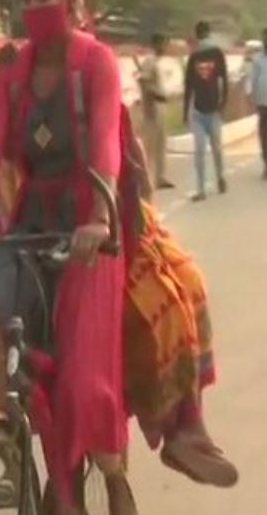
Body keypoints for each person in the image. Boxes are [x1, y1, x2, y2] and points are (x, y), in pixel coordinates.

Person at [0, 0, 134, 515]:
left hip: (91, 230)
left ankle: (112, 472)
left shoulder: (96, 63)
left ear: (73, 3)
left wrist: (98, 218)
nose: (34, 5)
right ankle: (12, 444)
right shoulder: (11, 73)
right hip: (29, 225)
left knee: (82, 385)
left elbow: (105, 145)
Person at [122, 111, 238, 487]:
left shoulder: (99, 93)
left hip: (122, 225)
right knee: (166, 303)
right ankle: (180, 425)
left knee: (190, 280)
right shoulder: (30, 95)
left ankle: (188, 421)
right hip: (82, 234)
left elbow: (137, 181)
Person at [184, 21, 229, 201]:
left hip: (213, 110)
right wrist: (185, 111)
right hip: (199, 112)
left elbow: (224, 79)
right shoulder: (193, 58)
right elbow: (188, 86)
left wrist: (223, 103)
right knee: (200, 150)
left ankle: (220, 177)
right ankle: (201, 188)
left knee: (216, 148)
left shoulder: (216, 54)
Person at [138, 33, 175, 189]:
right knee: (151, 145)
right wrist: (150, 103)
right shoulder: (149, 61)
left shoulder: (159, 62)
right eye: (163, 44)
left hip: (161, 104)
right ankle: (146, 178)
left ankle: (160, 177)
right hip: (153, 105)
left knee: (161, 143)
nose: (165, 48)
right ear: (157, 44)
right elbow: (144, 83)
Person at [249, 28, 267, 179]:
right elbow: (252, 80)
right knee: (264, 134)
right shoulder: (257, 59)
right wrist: (251, 97)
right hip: (262, 103)